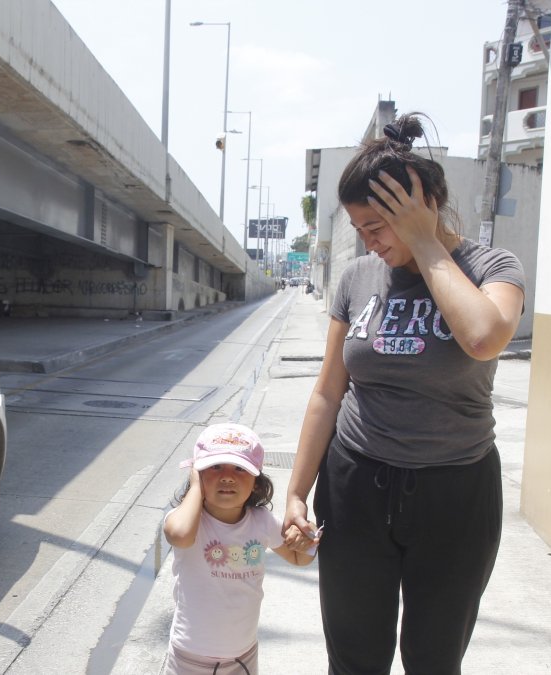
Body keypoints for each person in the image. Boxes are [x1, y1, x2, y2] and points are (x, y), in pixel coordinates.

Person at [281, 113, 526, 675]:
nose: (370, 242)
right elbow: (327, 394)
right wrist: (298, 492)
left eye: (379, 226)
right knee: (354, 657)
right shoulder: (358, 279)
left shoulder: (492, 267)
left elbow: (484, 337)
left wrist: (423, 241)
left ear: (426, 204)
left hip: (456, 493)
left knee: (434, 660)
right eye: (360, 228)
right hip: (355, 486)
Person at [162, 422, 319, 675]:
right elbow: (179, 536)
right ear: (198, 474)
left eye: (239, 468)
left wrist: (305, 534)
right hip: (191, 657)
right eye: (214, 467)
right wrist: (194, 486)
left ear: (256, 483)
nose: (227, 476)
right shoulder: (188, 521)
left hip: (243, 655)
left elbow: (299, 558)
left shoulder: (261, 522)